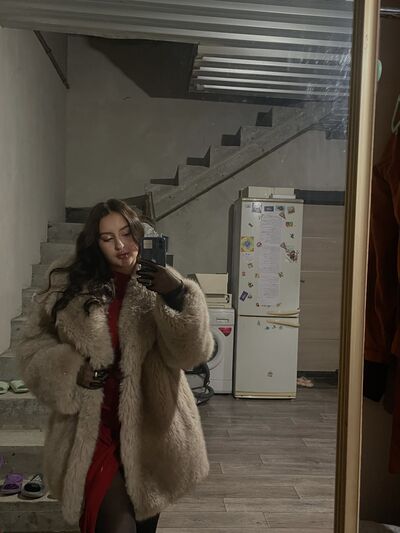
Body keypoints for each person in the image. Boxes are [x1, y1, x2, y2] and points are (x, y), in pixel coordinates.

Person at [16, 199, 213, 533]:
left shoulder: (160, 283)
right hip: (92, 429)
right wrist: (71, 370)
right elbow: (32, 347)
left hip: (151, 432)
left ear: (140, 232)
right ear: (95, 243)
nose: (121, 246)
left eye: (127, 234)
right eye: (108, 238)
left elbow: (191, 354)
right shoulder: (69, 283)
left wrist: (177, 295)